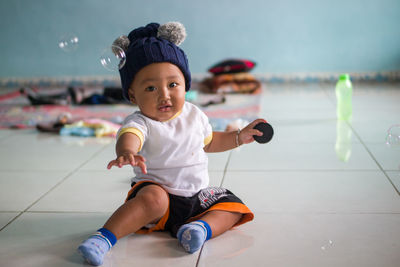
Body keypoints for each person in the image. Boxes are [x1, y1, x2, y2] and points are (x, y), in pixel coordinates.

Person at [77, 22, 266, 266]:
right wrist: (127, 151)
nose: (164, 94)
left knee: (233, 206)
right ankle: (103, 239)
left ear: (185, 84)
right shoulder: (141, 121)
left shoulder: (194, 114)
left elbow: (210, 142)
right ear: (133, 95)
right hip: (157, 194)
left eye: (173, 85)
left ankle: (198, 229)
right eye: (151, 88)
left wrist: (239, 136)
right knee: (154, 199)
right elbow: (130, 135)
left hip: (196, 197)